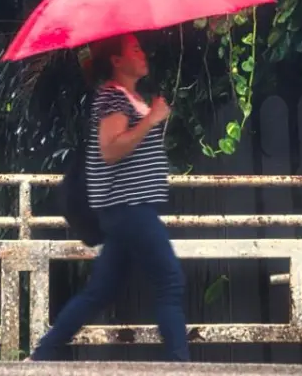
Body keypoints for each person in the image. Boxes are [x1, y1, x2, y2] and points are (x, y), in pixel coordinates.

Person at [28, 33, 188, 362]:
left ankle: (42, 353)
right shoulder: (112, 99)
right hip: (129, 209)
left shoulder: (129, 98)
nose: (142, 53)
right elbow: (111, 150)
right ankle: (180, 366)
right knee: (170, 282)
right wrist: (151, 120)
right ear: (117, 61)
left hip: (127, 210)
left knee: (100, 292)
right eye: (134, 49)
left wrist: (150, 117)